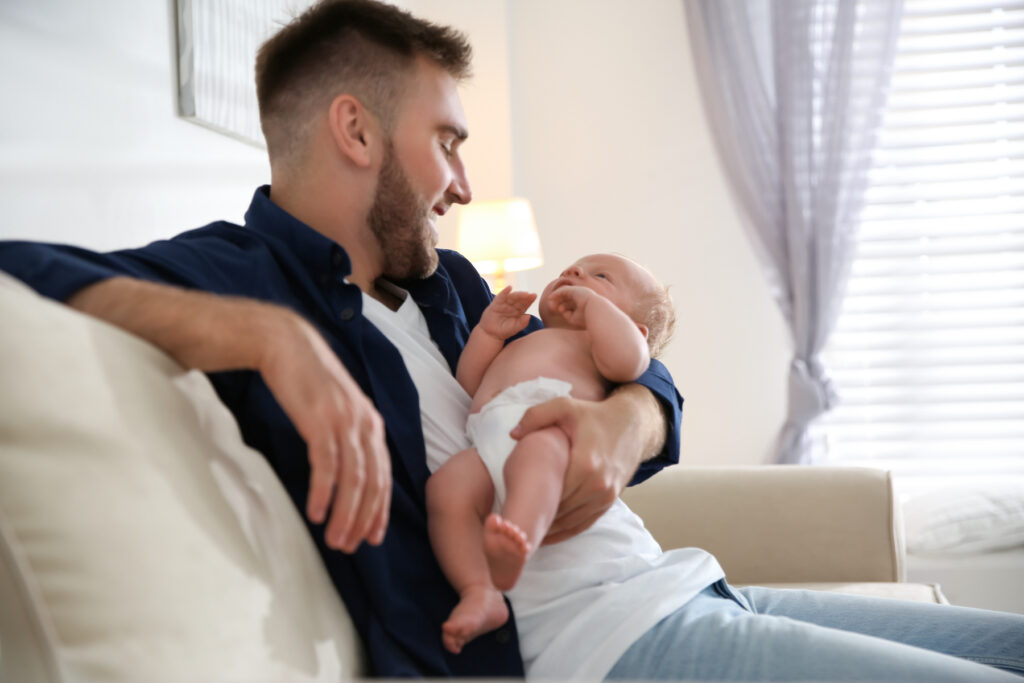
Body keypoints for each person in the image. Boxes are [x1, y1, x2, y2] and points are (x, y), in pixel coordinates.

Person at [0, 1, 1021, 680]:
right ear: (355, 133)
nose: (463, 184)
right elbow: (20, 270)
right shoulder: (240, 274)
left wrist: (627, 416)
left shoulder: (449, 288)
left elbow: (628, 371)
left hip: (680, 580)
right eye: (447, 140)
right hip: (596, 641)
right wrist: (264, 334)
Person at [426, 252, 676, 655]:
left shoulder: (598, 347)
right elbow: (469, 387)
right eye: (571, 269)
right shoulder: (523, 338)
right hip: (487, 439)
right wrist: (488, 334)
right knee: (446, 489)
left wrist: (595, 311)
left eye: (600, 277)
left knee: (537, 455)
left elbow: (633, 362)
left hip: (550, 427)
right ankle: (479, 591)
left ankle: (520, 536)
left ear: (633, 327)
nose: (574, 272)